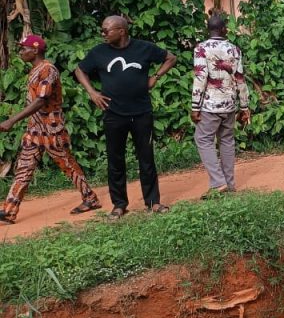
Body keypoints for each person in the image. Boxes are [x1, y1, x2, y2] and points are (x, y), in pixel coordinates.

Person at [74, 15, 177, 218]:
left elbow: (171, 58)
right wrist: (92, 93)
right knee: (115, 160)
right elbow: (79, 70)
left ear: (121, 31)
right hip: (114, 115)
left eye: (107, 30)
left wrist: (155, 77)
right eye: (102, 30)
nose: (103, 34)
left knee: (146, 159)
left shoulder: (144, 48)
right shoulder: (98, 52)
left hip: (141, 113)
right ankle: (119, 205)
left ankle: (153, 202)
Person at [0, 36, 101, 224]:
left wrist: (12, 120)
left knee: (67, 165)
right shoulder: (35, 70)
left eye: (24, 49)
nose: (21, 52)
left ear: (35, 50)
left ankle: (90, 198)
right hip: (35, 130)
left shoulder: (48, 70)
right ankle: (9, 210)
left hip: (52, 129)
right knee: (24, 167)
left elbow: (41, 100)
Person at [191, 13, 251, 198]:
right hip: (230, 105)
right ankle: (229, 185)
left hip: (210, 105)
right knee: (226, 141)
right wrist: (244, 106)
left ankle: (218, 183)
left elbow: (200, 77)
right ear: (224, 29)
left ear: (208, 29)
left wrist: (195, 106)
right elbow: (240, 79)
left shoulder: (201, 48)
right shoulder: (234, 49)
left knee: (203, 139)